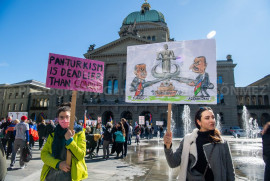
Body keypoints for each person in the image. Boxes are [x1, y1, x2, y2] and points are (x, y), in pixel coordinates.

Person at [164, 107, 235, 181]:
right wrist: (168, 146)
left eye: (213, 117)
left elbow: (230, 172)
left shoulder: (222, 143)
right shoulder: (188, 140)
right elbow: (173, 163)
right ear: (199, 122)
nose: (212, 120)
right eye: (207, 118)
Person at [40, 103, 88, 181]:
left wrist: (70, 141)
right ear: (58, 119)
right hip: (52, 175)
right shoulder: (53, 134)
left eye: (67, 117)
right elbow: (44, 154)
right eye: (61, 117)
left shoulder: (79, 133)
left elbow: (80, 155)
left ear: (72, 117)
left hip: (71, 175)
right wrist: (58, 164)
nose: (64, 120)